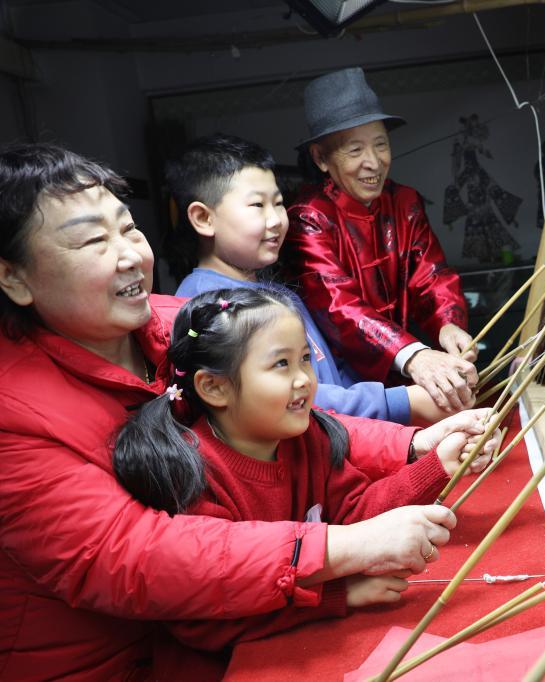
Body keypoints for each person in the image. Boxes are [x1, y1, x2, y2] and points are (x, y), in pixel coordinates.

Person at [0, 143, 458, 679]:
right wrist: (341, 549)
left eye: (127, 229)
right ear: (14, 278)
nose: (128, 256)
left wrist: (411, 445)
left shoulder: (177, 322)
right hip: (107, 665)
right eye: (91, 241)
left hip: (226, 627)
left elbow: (294, 413)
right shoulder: (12, 413)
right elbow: (130, 555)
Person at [113, 287, 482, 655]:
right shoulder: (192, 474)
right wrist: (337, 595)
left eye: (305, 359)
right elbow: (203, 623)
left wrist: (437, 465)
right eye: (281, 364)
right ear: (214, 387)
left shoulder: (308, 438)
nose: (305, 378)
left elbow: (354, 514)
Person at [169, 133, 453, 432]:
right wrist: (400, 401)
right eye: (257, 205)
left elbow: (332, 375)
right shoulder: (206, 304)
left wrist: (413, 388)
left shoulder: (278, 292)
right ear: (204, 218)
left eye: (278, 203)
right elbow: (289, 399)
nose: (276, 220)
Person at [286, 67, 479, 413]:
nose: (373, 162)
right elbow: (338, 306)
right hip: (343, 389)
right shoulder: (308, 216)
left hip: (405, 373)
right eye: (355, 150)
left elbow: (431, 275)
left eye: (381, 144)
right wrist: (415, 356)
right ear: (320, 158)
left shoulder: (404, 202)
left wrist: (448, 323)